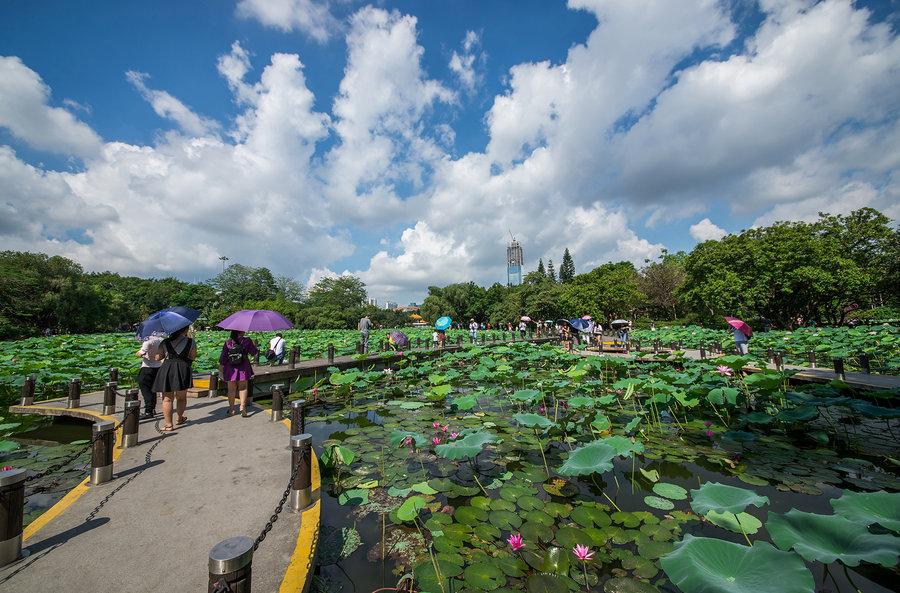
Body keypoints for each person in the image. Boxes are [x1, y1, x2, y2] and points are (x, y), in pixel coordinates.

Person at [152, 326, 196, 431]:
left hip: (167, 369)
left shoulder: (165, 342)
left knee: (167, 399)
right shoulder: (191, 342)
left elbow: (158, 357)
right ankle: (180, 418)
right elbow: (193, 356)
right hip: (183, 369)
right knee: (181, 397)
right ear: (185, 330)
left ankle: (168, 425)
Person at [219, 329, 259, 417]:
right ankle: (242, 407)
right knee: (243, 388)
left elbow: (223, 358)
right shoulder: (247, 340)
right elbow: (254, 352)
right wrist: (254, 345)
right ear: (242, 331)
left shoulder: (228, 342)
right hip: (243, 367)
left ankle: (231, 409)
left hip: (230, 369)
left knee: (231, 390)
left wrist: (221, 371)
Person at [136, 335, 163, 419]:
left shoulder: (148, 341)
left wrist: (137, 353)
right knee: (153, 389)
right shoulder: (162, 340)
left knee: (146, 390)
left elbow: (140, 353)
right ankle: (152, 408)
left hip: (147, 367)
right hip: (158, 367)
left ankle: (148, 411)